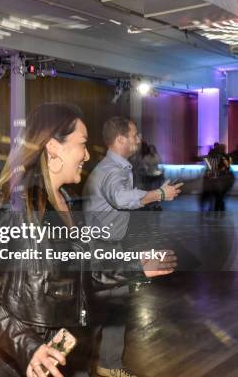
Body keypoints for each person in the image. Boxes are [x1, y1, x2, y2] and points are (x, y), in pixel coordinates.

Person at [0, 104, 177, 377]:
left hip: (62, 351)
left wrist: (136, 265)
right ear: (54, 147)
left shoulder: (66, 203)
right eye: (82, 144)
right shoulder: (15, 207)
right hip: (23, 360)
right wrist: (28, 346)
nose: (88, 154)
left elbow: (83, 267)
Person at [83, 117, 182, 377]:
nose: (139, 139)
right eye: (135, 134)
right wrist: (159, 195)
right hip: (99, 250)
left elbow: (125, 195)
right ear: (120, 140)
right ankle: (73, 365)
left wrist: (154, 192)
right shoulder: (111, 171)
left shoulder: (117, 167)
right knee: (97, 311)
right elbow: (120, 198)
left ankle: (108, 365)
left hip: (111, 247)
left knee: (116, 309)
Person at [129, 142, 165, 211]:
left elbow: (159, 163)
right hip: (146, 175)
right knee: (149, 190)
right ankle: (150, 205)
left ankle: (155, 205)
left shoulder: (154, 156)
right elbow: (143, 166)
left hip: (153, 175)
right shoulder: (145, 157)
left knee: (154, 190)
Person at [202, 143, 234, 212]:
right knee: (219, 197)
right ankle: (219, 210)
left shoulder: (222, 157)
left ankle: (217, 209)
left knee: (218, 197)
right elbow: (228, 167)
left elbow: (226, 167)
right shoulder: (225, 157)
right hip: (224, 180)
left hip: (222, 180)